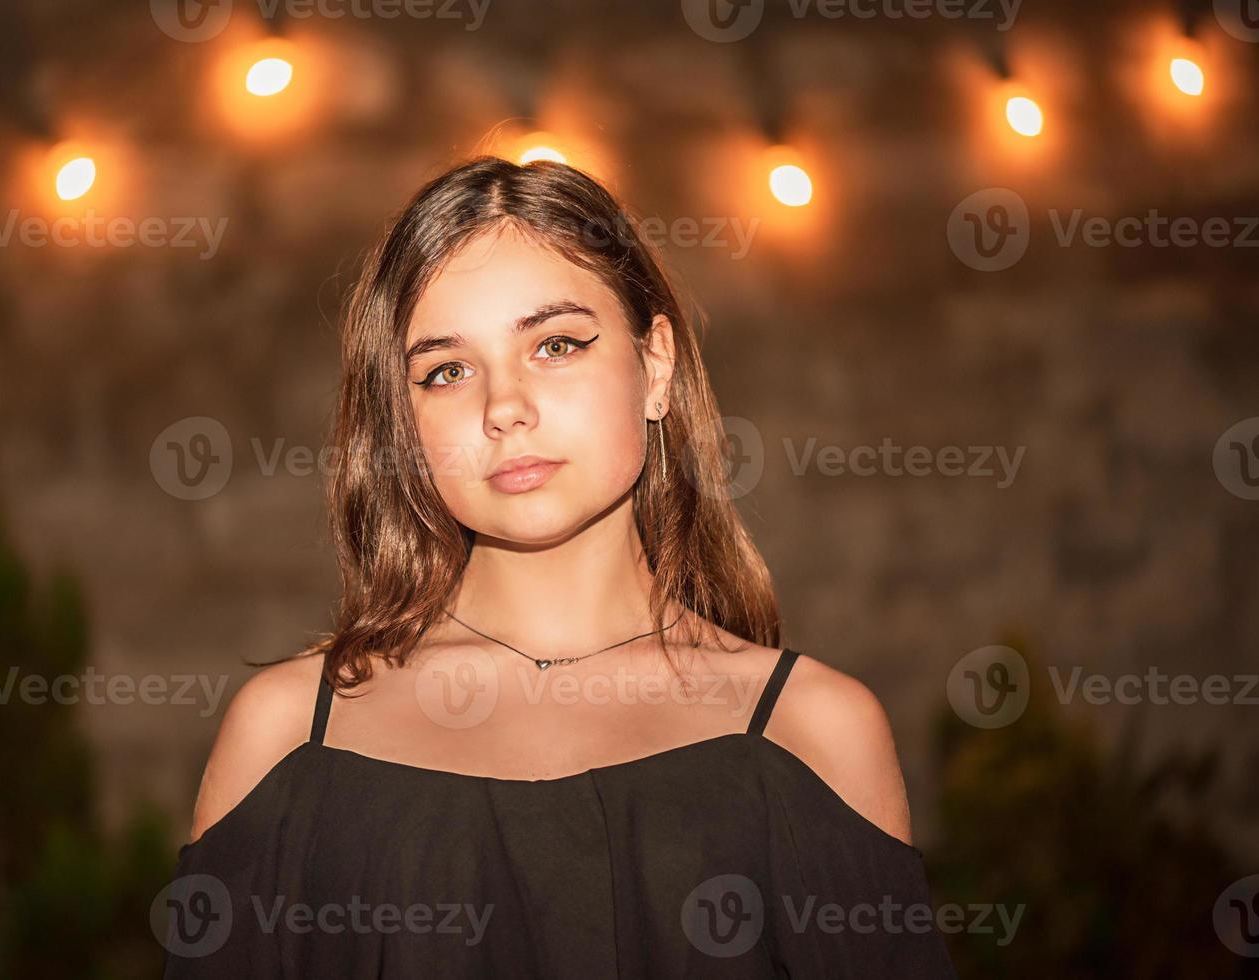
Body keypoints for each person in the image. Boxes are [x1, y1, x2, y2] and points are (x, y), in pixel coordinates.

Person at [160, 156, 958, 977]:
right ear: (402, 421)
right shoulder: (291, 735)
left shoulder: (814, 733)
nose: (504, 408)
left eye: (556, 344)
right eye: (447, 371)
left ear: (656, 368)